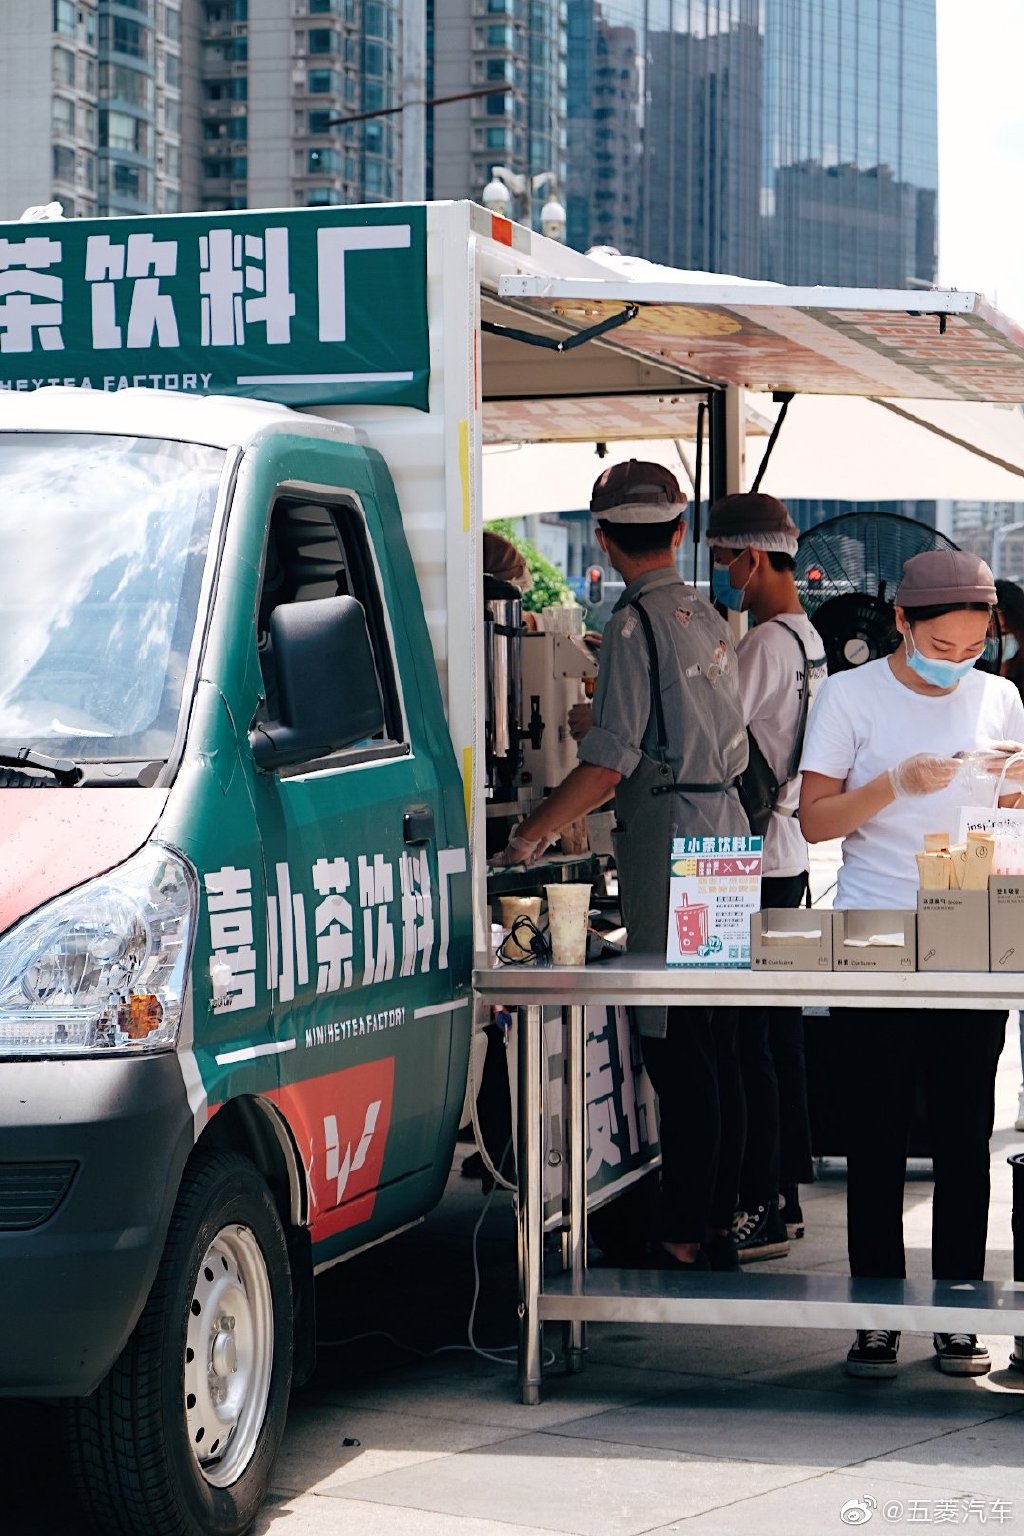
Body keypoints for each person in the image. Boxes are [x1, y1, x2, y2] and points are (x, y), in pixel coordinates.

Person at [491, 459, 750, 1271]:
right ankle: (718, 1216)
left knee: (676, 1045)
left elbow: (608, 763)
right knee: (714, 1039)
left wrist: (531, 834)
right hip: (726, 831)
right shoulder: (705, 614)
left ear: (602, 540)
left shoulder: (634, 624)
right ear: (679, 533)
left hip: (673, 836)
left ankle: (679, 1231)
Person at [799, 548, 1024, 1379]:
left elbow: (1012, 811)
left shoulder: (1000, 697)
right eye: (944, 646)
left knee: (967, 1131)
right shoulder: (849, 696)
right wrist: (893, 782)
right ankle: (876, 1312)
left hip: (971, 926)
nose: (959, 664)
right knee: (877, 1130)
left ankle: (958, 1311)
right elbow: (816, 821)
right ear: (901, 621)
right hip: (875, 932)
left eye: (974, 649)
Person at [707, 492, 827, 1261]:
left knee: (745, 1040)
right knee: (777, 1036)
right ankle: (784, 1191)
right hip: (792, 860)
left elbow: (713, 740)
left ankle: (759, 1202)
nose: (723, 577)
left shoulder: (760, 649)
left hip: (750, 860)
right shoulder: (810, 638)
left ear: (752, 559)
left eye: (725, 562)